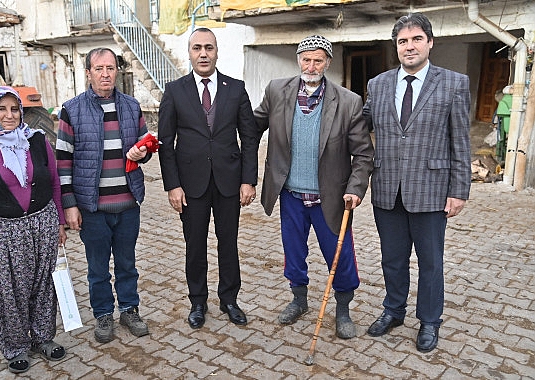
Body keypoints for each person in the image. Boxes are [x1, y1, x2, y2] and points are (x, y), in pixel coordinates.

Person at [363, 13, 471, 353]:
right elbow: (357, 125)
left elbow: (461, 140)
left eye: (416, 39)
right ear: (396, 46)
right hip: (386, 190)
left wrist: (458, 190)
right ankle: (393, 311)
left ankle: (429, 321)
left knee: (431, 261)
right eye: (402, 41)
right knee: (392, 259)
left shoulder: (454, 83)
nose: (409, 47)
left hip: (431, 190)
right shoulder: (378, 84)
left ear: (430, 42)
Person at [254, 35, 374, 338]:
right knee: (293, 252)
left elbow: (363, 154)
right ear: (298, 60)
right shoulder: (277, 91)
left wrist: (356, 189)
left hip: (331, 197)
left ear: (327, 63)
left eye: (318, 60)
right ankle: (299, 300)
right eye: (306, 59)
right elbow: (251, 125)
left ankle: (343, 309)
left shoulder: (348, 102)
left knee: (340, 254)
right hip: (291, 194)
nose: (311, 65)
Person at [0, 86, 68, 374]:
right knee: (8, 291)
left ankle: (43, 338)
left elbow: (54, 182)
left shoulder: (38, 140)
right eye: (1, 109)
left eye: (14, 109)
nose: (9, 115)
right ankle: (16, 347)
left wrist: (59, 223)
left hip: (42, 224)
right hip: (1, 232)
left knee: (44, 284)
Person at [158, 27, 259, 329]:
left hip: (229, 181)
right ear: (189, 53)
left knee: (228, 243)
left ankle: (229, 299)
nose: (203, 54)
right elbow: (166, 142)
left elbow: (249, 137)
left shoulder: (236, 88)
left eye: (209, 48)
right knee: (195, 244)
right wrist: (173, 185)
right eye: (197, 48)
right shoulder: (175, 90)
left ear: (217, 52)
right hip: (191, 185)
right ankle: (198, 301)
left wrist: (248, 179)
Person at [56, 47, 151, 343]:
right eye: (99, 68)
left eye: (110, 68)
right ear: (88, 73)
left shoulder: (132, 107)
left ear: (117, 71)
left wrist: (144, 151)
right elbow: (63, 161)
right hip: (92, 207)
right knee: (97, 267)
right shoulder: (71, 109)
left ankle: (129, 309)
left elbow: (146, 148)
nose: (106, 74)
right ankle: (103, 314)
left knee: (127, 263)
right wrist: (70, 205)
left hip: (127, 204)